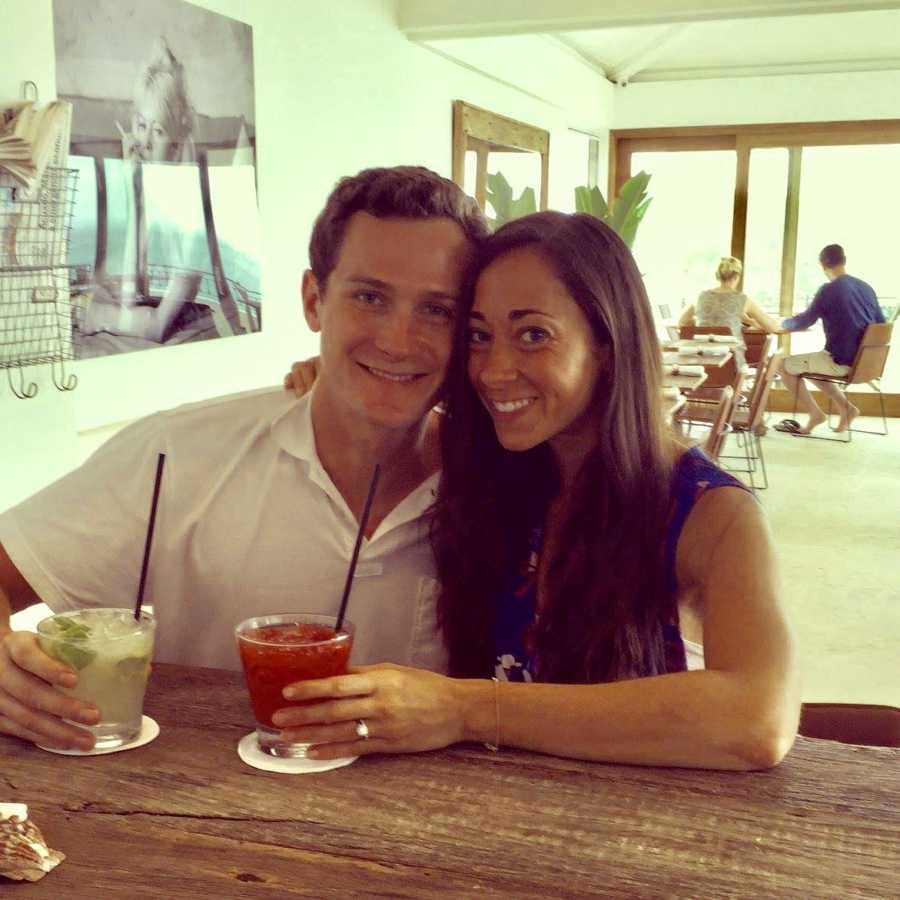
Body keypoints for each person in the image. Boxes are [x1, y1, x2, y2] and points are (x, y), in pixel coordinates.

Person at [277, 213, 800, 771]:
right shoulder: (498, 470)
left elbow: (758, 718)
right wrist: (337, 371)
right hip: (471, 815)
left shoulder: (711, 512)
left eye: (533, 335)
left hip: (631, 832)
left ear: (606, 342)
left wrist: (465, 710)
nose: (495, 371)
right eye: (479, 336)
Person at [0, 165, 488, 751]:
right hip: (194, 816)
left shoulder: (503, 477)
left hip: (442, 825)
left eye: (438, 310)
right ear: (314, 300)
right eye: (369, 297)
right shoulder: (176, 453)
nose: (398, 339)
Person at [82, 38, 204, 346]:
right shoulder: (144, 188)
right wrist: (131, 187)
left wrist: (97, 316)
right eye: (140, 125)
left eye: (159, 131)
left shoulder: (188, 216)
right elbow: (127, 298)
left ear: (177, 142)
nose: (145, 142)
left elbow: (155, 327)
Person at [775, 244, 884, 435]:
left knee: (781, 365)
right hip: (864, 364)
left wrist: (783, 322)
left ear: (823, 264)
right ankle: (847, 408)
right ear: (844, 260)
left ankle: (815, 414)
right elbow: (882, 325)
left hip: (840, 362)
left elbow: (803, 322)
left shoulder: (829, 289)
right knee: (815, 363)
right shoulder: (866, 288)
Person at [678, 257, 780, 367]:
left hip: (702, 366)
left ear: (718, 275)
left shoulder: (700, 297)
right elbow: (773, 327)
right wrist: (750, 321)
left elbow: (682, 323)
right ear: (737, 277)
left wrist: (703, 324)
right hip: (732, 366)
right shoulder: (742, 299)